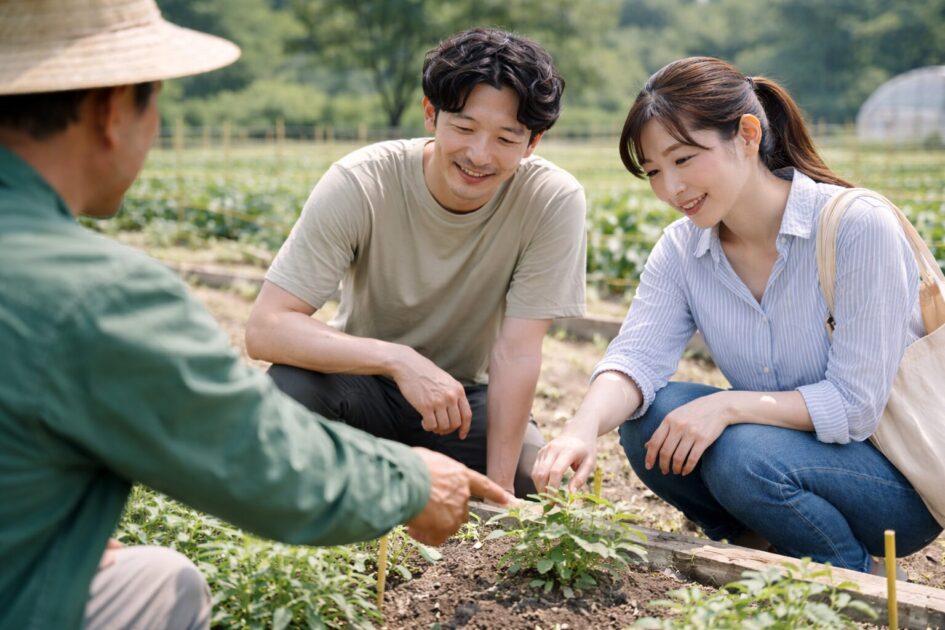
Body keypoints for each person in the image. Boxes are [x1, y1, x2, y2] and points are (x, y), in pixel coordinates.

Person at [0, 2, 510, 628]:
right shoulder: (92, 294)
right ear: (112, 112)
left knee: (154, 574)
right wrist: (410, 483)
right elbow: (254, 455)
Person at [531, 56, 943, 574]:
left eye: (683, 159)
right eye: (654, 171)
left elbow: (854, 407)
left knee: (742, 452)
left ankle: (855, 573)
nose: (670, 189)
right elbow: (636, 356)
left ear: (747, 135)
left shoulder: (856, 226)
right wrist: (580, 429)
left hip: (892, 481)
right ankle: (763, 546)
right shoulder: (683, 250)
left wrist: (727, 408)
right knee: (648, 420)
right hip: (778, 454)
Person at [245, 28, 587, 498]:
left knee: (540, 485)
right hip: (361, 385)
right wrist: (396, 359)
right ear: (431, 113)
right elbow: (266, 327)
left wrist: (500, 491)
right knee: (283, 399)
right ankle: (345, 492)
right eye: (464, 128)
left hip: (464, 403)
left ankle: (386, 478)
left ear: (533, 142)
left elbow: (517, 351)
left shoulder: (551, 199)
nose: (479, 155)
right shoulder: (361, 182)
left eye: (507, 138)